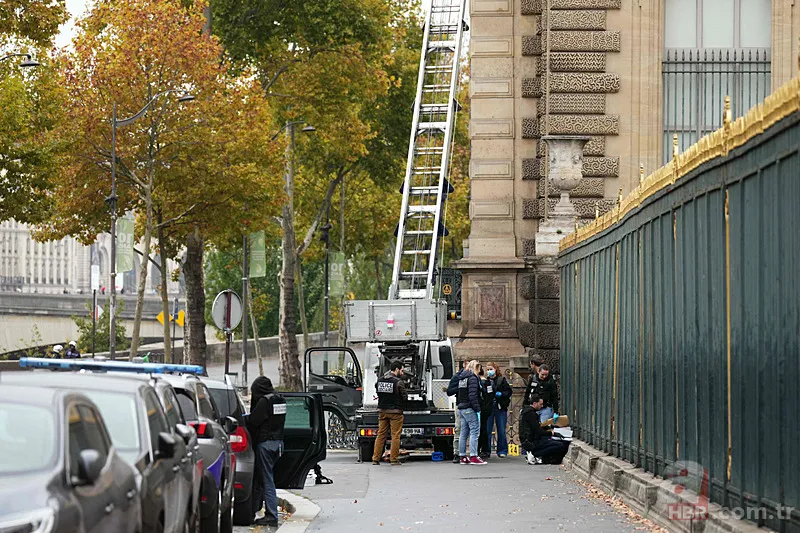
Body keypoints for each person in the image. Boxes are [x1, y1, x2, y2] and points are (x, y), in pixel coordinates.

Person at [248, 376, 287, 527]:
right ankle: (256, 508)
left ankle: (271, 515)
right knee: (265, 478)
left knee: (266, 480)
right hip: (278, 444)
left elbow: (253, 421)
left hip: (265, 444)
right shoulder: (280, 399)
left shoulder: (264, 401)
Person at [372, 360, 407, 466]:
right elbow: (404, 397)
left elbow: (378, 391)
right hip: (395, 412)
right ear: (396, 369)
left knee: (381, 435)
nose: (402, 373)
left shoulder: (379, 381)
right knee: (395, 436)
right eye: (401, 370)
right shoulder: (398, 382)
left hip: (382, 411)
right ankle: (394, 459)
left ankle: (375, 458)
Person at [519, 396, 570, 465]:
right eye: (540, 404)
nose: (542, 406)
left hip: (528, 440)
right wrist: (551, 433)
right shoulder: (531, 414)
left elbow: (537, 427)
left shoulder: (526, 412)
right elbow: (538, 431)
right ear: (534, 403)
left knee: (553, 442)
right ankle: (535, 454)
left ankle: (539, 456)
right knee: (559, 445)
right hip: (532, 442)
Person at [456, 360, 486, 465]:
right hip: (469, 407)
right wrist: (477, 408)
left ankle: (462, 456)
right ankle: (473, 455)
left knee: (463, 433)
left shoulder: (462, 378)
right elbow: (473, 395)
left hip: (462, 408)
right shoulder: (472, 378)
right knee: (474, 432)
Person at [484, 362, 513, 458]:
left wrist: (501, 394)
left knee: (501, 429)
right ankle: (486, 450)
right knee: (487, 430)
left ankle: (502, 450)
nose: (489, 371)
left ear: (495, 369)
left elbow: (508, 391)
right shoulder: (486, 381)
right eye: (487, 370)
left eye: (491, 369)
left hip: (499, 406)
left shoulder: (501, 380)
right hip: (489, 407)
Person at [446, 362, 463, 464]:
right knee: (458, 429)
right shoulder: (457, 377)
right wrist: (460, 388)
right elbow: (449, 391)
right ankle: (457, 453)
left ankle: (474, 452)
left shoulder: (474, 377)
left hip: (472, 407)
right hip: (460, 405)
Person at [477, 364, 491, 460]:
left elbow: (488, 396)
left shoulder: (485, 382)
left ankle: (482, 449)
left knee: (481, 429)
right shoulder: (486, 382)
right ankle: (483, 449)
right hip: (484, 408)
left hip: (482, 408)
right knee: (483, 429)